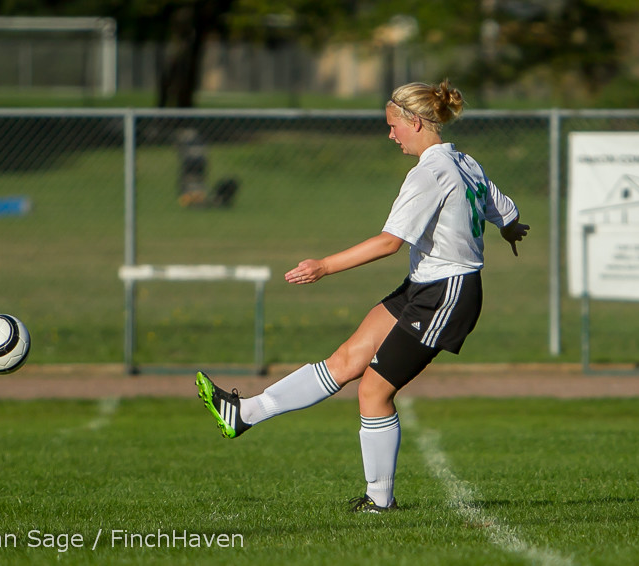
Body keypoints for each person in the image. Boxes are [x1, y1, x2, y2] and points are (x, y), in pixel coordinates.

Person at [195, 79, 530, 513]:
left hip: (447, 292)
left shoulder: (429, 173)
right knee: (347, 360)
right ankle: (243, 414)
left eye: (393, 126)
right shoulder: (464, 161)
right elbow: (504, 210)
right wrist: (509, 230)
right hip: (425, 285)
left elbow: (389, 242)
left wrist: (324, 266)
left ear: (415, 122)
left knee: (373, 392)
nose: (390, 135)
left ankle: (379, 502)